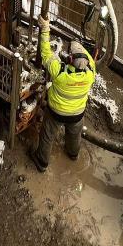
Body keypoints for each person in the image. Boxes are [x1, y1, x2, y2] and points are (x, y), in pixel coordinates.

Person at [30, 14, 96, 172]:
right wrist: (80, 47)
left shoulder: (60, 72)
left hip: (56, 112)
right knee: (74, 134)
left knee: (47, 136)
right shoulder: (90, 74)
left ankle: (42, 162)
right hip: (77, 113)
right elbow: (91, 59)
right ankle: (73, 154)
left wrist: (45, 29)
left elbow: (46, 52)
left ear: (70, 59)